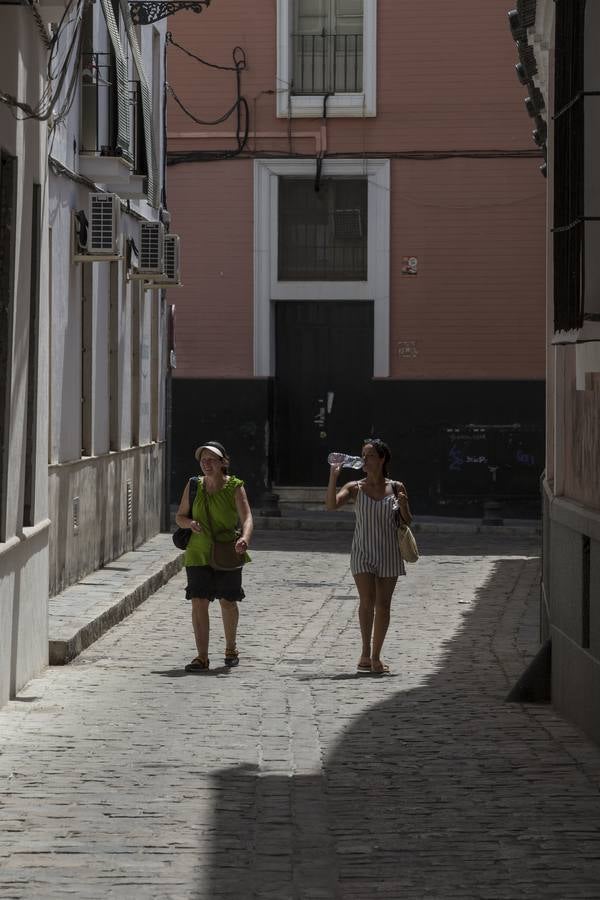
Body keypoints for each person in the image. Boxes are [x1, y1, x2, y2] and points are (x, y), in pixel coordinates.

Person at [325, 438, 411, 675]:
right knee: (367, 601)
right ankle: (364, 653)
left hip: (390, 553)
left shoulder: (397, 487)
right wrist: (334, 476)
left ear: (382, 459)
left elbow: (407, 521)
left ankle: (376, 656)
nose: (365, 459)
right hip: (362, 551)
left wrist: (403, 505)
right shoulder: (355, 487)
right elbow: (331, 505)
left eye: (370, 455)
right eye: (363, 454)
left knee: (383, 605)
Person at [175, 441, 253, 672]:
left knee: (228, 601)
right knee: (198, 602)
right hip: (198, 552)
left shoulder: (235, 487)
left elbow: (247, 518)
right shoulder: (193, 485)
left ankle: (230, 648)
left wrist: (245, 539)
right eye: (203, 460)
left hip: (228, 550)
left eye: (211, 459)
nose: (206, 464)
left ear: (223, 463)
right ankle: (202, 657)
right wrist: (190, 523)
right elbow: (180, 516)